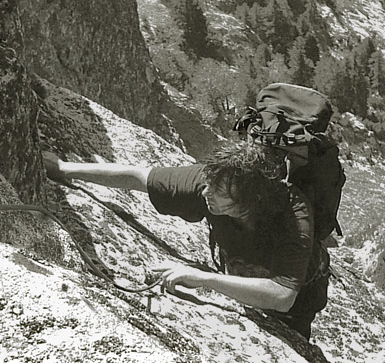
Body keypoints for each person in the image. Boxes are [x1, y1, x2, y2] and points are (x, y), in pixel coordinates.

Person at [42, 141, 330, 340]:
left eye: (218, 193)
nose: (205, 194)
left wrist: (203, 278)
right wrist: (64, 168)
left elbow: (282, 295)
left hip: (297, 300)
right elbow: (140, 178)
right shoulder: (215, 182)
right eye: (208, 185)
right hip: (243, 269)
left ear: (249, 201)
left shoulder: (293, 216)